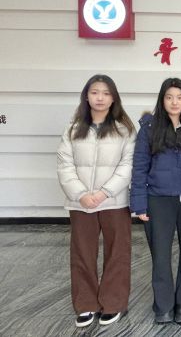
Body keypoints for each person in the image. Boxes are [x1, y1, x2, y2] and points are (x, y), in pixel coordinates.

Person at [57, 74, 136, 328]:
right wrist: (81, 194)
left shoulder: (125, 130)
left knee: (117, 253)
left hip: (114, 202)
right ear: (86, 97)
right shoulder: (73, 129)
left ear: (113, 98)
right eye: (94, 92)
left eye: (105, 93)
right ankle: (86, 304)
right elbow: (65, 165)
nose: (100, 97)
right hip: (81, 204)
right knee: (82, 253)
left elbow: (128, 165)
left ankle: (113, 303)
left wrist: (104, 193)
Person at [130, 78, 181, 324]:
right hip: (158, 199)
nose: (174, 102)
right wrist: (139, 203)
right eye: (169, 97)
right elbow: (140, 167)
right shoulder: (149, 128)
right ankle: (163, 306)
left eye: (179, 97)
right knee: (160, 254)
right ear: (162, 100)